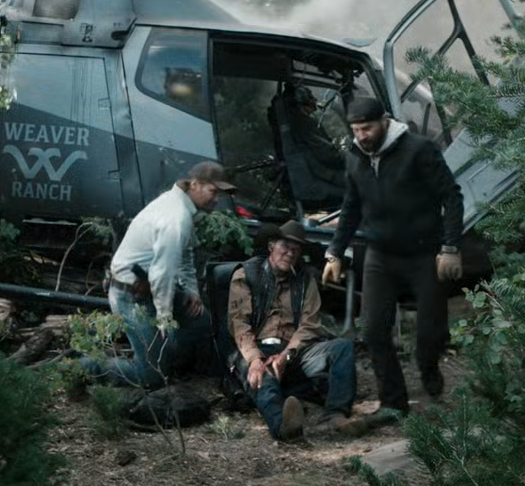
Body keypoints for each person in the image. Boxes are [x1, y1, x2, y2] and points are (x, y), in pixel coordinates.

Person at [322, 98, 464, 421]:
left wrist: (450, 247)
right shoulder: (355, 157)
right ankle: (393, 402)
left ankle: (428, 366)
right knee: (373, 329)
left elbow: (451, 196)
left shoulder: (418, 150)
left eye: (367, 128)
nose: (362, 136)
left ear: (384, 121)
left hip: (423, 252)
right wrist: (335, 252)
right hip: (381, 255)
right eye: (356, 130)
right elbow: (351, 206)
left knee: (429, 331)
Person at [80, 161, 233, 389]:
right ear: (195, 184)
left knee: (201, 322)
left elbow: (186, 255)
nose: (217, 199)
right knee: (149, 375)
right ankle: (84, 367)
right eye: (213, 191)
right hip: (131, 295)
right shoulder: (175, 218)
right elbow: (162, 274)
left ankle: (172, 360)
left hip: (153, 288)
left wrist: (192, 292)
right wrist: (165, 318)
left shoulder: (181, 208)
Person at [226, 220, 366, 440]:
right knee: (262, 376)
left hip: (293, 351)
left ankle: (336, 414)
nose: (290, 253)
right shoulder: (246, 274)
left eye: (296, 249)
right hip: (257, 348)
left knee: (343, 347)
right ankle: (284, 427)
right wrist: (254, 359)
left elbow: (310, 324)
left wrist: (287, 354)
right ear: (272, 246)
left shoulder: (305, 280)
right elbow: (238, 323)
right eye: (285, 246)